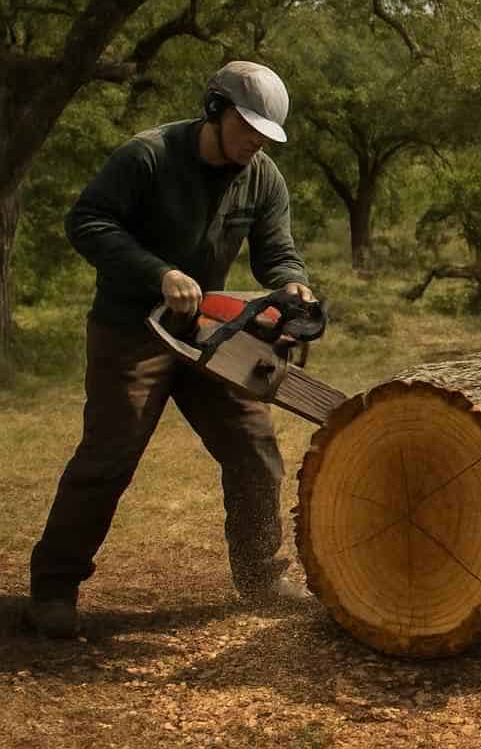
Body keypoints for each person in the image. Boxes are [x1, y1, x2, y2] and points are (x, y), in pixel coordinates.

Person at [27, 61, 316, 639]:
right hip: (130, 329)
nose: (254, 141)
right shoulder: (148, 156)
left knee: (254, 448)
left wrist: (294, 288)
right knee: (111, 452)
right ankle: (54, 590)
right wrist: (158, 273)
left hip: (210, 332)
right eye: (247, 126)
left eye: (265, 133)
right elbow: (86, 222)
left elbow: (276, 253)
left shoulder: (262, 177)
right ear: (215, 109)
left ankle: (261, 576)